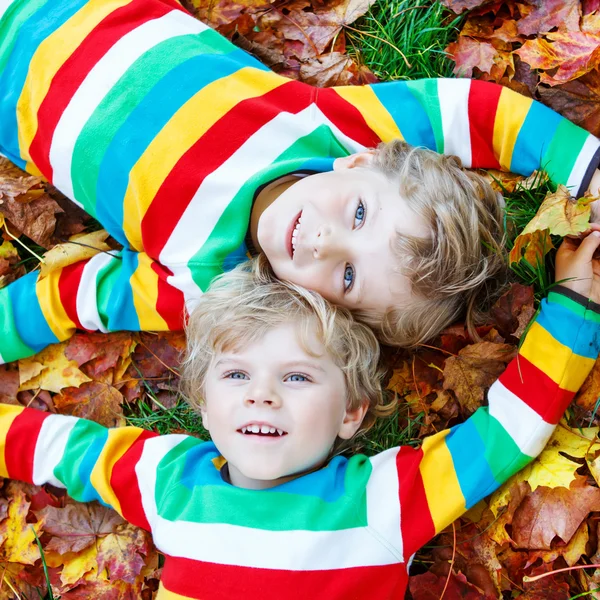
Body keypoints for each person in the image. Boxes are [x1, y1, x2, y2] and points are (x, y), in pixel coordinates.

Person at [1, 230, 600, 599]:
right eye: (236, 376)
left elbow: (507, 432)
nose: (263, 395)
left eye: (297, 376)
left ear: (352, 412)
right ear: (204, 407)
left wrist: (573, 308)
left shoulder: (384, 499)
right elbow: (59, 448)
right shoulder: (167, 479)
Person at [1, 0, 600, 362]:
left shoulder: (204, 285)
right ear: (360, 165)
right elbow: (476, 111)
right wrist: (589, 172)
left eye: (346, 275)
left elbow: (76, 299)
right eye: (360, 215)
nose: (322, 241)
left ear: (323, 309)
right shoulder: (327, 130)